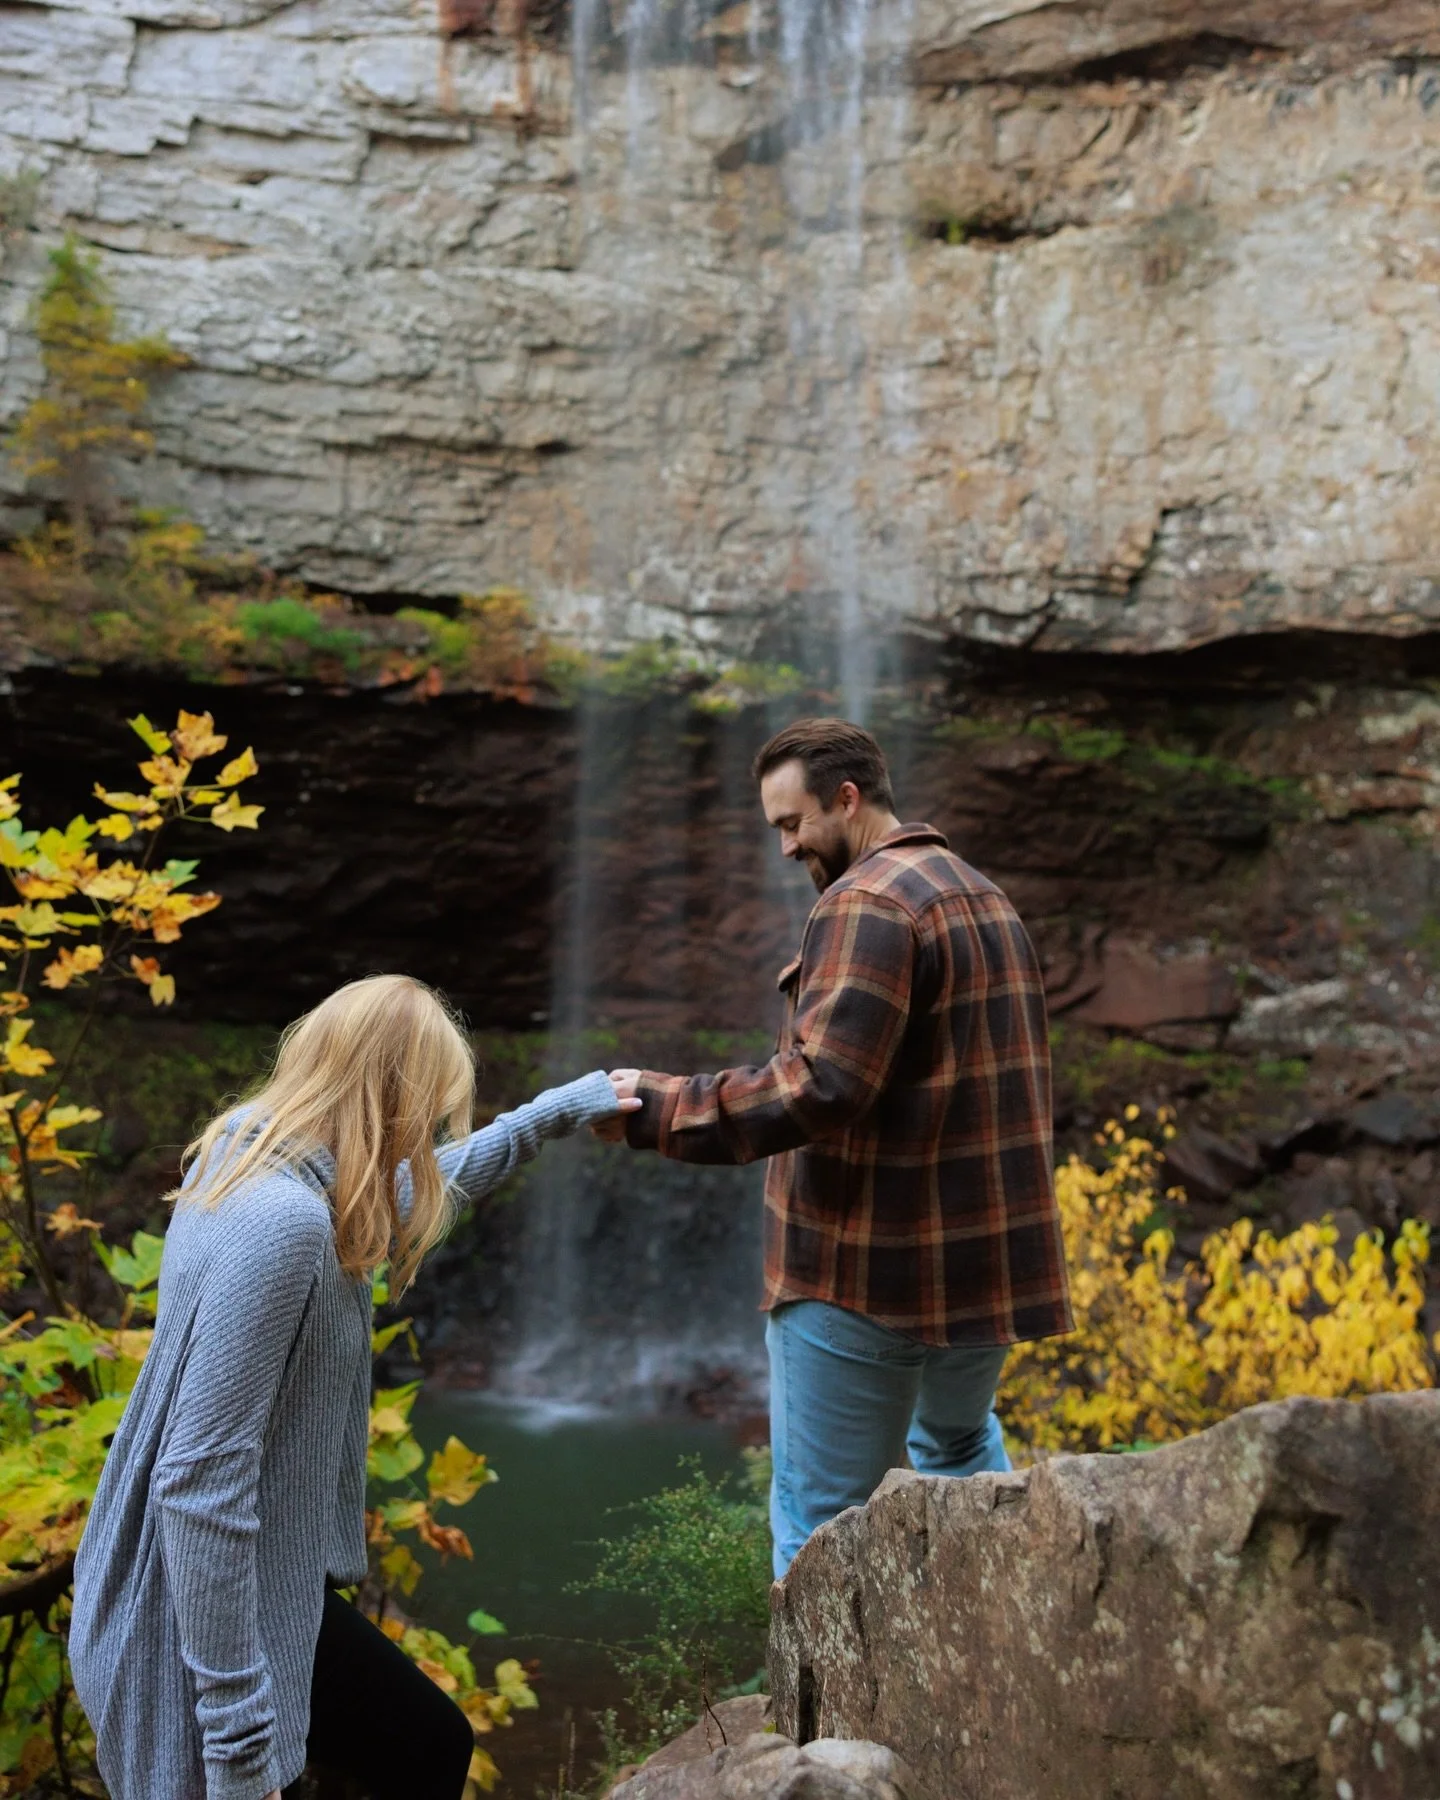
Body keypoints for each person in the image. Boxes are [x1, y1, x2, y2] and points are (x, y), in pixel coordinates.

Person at [70, 973, 636, 1800]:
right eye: (431, 1110)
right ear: (389, 1099)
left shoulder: (256, 1166)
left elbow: (426, 1185)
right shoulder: (283, 1226)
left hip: (259, 1580)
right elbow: (197, 1483)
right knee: (423, 1749)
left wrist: (560, 1111)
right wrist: (238, 1738)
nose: (432, 1131)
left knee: (427, 1744)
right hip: (188, 1611)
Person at [598, 717, 1073, 1577]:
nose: (784, 848)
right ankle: (1002, 1678)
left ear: (846, 800)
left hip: (864, 1277)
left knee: (823, 1526)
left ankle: (818, 1717)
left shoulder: (865, 902)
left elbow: (820, 1086)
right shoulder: (982, 894)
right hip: (980, 1278)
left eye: (793, 823)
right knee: (960, 1452)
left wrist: (655, 1108)